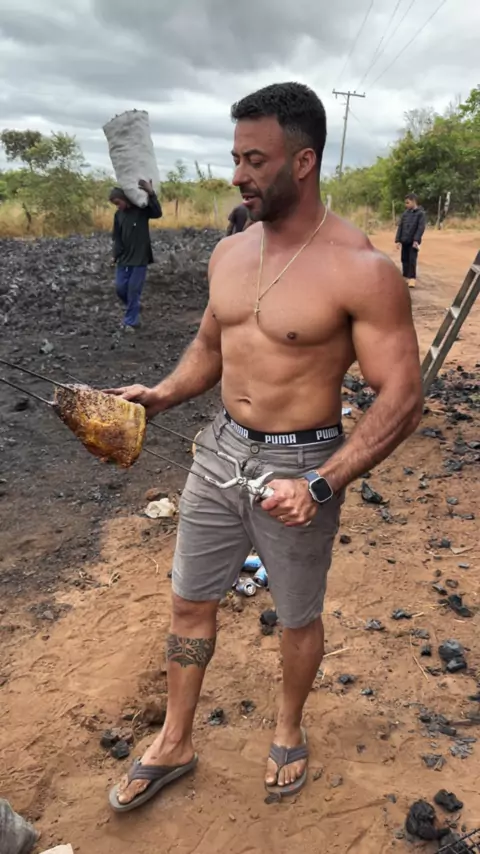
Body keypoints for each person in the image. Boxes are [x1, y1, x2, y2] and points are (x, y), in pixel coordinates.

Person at [106, 82, 423, 811]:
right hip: (219, 452)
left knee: (297, 615)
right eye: (235, 158)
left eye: (255, 160)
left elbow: (403, 398)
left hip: (303, 462)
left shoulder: (360, 269)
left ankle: (287, 727)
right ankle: (175, 740)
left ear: (303, 162)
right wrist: (161, 394)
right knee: (190, 601)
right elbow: (210, 346)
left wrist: (322, 483)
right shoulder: (229, 251)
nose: (237, 175)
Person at [110, 180, 162, 331]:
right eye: (115, 204)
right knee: (120, 289)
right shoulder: (118, 215)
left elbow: (157, 213)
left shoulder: (141, 211)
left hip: (139, 258)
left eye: (118, 202)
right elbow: (117, 237)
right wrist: (114, 255)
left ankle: (130, 322)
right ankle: (135, 307)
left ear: (125, 199)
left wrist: (151, 193)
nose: (117, 206)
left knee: (133, 290)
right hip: (123, 258)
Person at [395, 193, 426, 289]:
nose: (406, 205)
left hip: (413, 242)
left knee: (412, 259)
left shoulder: (420, 214)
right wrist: (398, 240)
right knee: (404, 259)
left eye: (407, 203)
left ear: (413, 201)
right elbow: (400, 227)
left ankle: (412, 278)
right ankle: (405, 276)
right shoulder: (405, 214)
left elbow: (420, 228)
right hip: (404, 240)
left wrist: (416, 240)